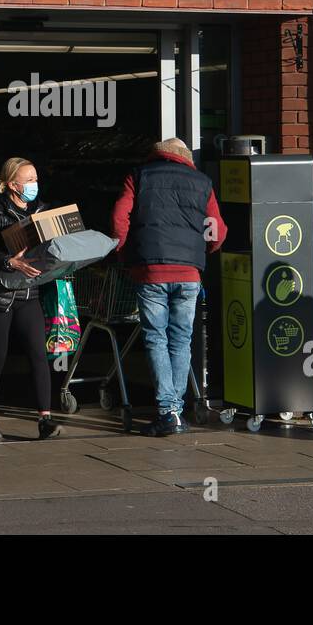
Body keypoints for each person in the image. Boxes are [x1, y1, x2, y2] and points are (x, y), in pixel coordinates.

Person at [111, 137, 227, 436]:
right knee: (181, 340)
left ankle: (168, 411)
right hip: (189, 273)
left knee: (155, 339)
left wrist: (124, 252)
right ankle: (173, 410)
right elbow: (217, 229)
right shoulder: (202, 182)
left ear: (157, 155)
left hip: (151, 271)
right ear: (184, 158)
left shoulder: (139, 176)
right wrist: (203, 252)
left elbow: (118, 218)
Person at [0, 157, 62, 441]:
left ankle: (45, 418)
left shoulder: (41, 211)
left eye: (35, 178)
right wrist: (11, 262)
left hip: (28, 292)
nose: (34, 184)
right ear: (12, 185)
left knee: (38, 354)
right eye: (29, 180)